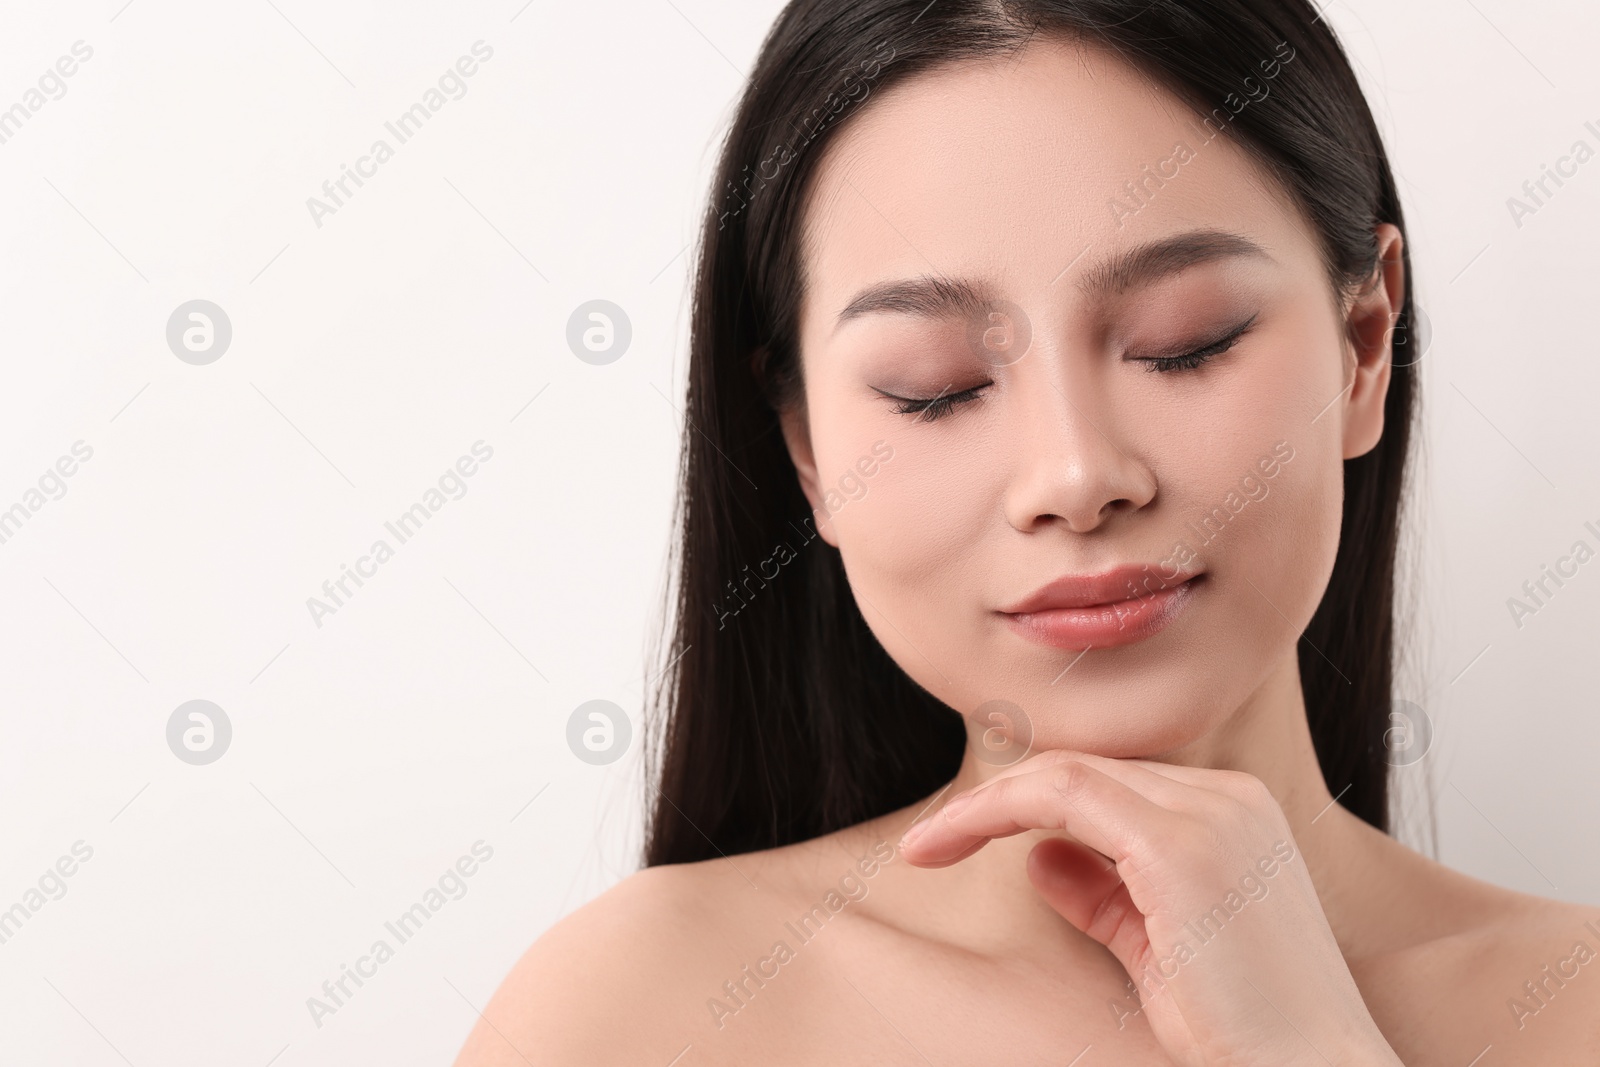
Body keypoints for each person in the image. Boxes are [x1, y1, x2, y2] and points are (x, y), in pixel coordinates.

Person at [455, 2, 1600, 1063]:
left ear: (1363, 345)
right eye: (934, 387)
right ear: (806, 448)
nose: (1075, 475)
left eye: (1184, 341)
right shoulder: (635, 1007)